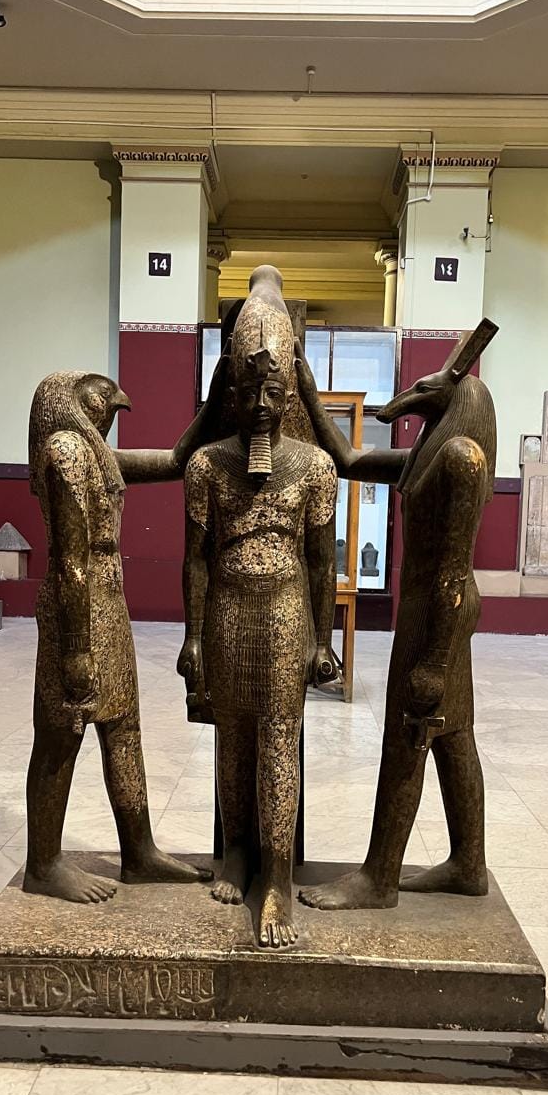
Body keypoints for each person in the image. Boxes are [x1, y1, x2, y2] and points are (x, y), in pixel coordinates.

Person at [295, 323, 498, 910]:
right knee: (453, 735)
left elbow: (453, 571)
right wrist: (308, 390)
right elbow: (347, 458)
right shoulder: (430, 456)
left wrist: (432, 659)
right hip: (436, 607)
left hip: (437, 611)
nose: (411, 398)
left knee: (409, 733)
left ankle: (379, 877)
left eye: (425, 392)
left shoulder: (459, 458)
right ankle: (468, 864)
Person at [178, 267, 338, 947]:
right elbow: (196, 558)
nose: (263, 407)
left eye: (274, 393)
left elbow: (323, 562)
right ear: (232, 394)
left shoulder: (315, 467)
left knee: (276, 741)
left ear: (291, 392)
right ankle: (238, 851)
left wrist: (322, 640)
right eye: (249, 394)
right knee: (233, 741)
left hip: (285, 615)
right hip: (226, 616)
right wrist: (192, 636)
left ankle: (276, 877)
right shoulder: (208, 466)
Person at [24, 369, 216, 903]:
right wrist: (77, 649)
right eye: (106, 403)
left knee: (123, 728)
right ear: (76, 402)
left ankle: (139, 850)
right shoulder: (67, 451)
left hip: (107, 603)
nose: (113, 413)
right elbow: (71, 564)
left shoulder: (97, 455)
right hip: (77, 609)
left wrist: (217, 391)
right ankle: (43, 863)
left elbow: (175, 460)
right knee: (61, 735)